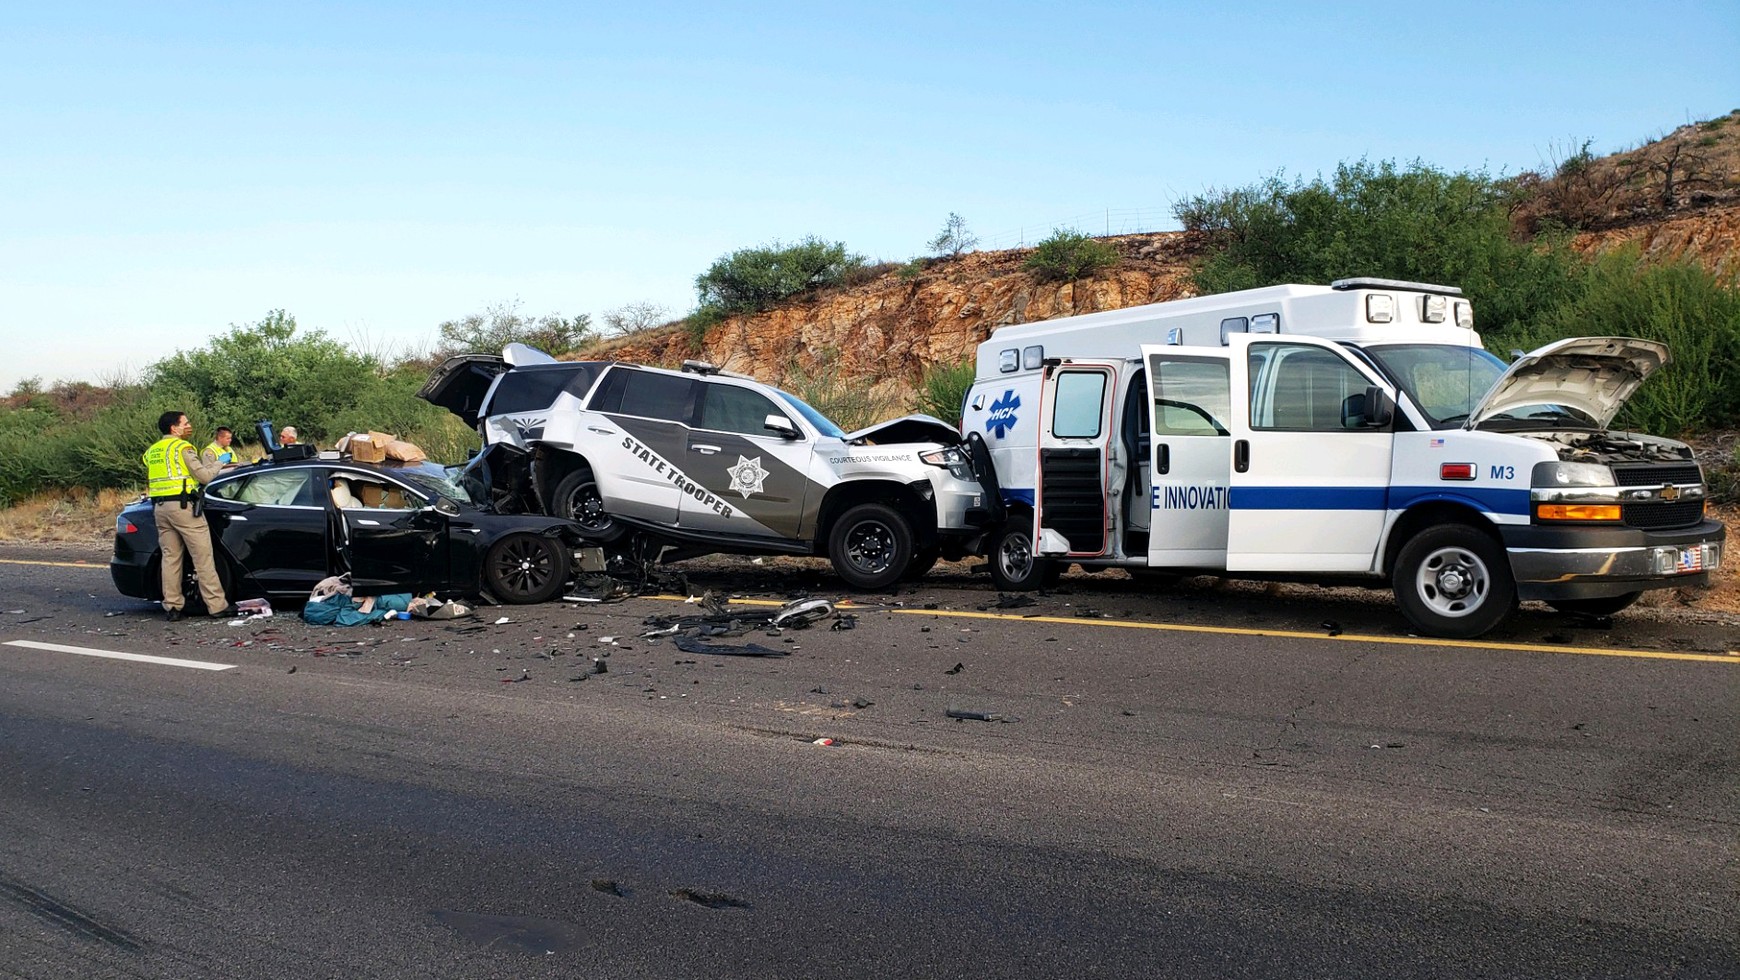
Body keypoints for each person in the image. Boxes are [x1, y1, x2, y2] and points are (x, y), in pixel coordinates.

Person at [144, 411, 235, 621]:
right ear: (174, 428)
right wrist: (219, 463)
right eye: (185, 423)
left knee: (171, 558)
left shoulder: (152, 451)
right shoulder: (182, 448)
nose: (189, 426)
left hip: (160, 508)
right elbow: (204, 476)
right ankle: (217, 606)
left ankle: (172, 607)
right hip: (183, 508)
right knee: (202, 557)